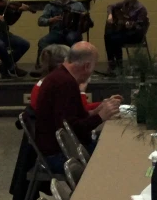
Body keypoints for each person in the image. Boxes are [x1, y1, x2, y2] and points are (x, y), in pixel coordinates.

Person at [34, 41, 120, 173]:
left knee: (111, 145)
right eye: (94, 66)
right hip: (60, 155)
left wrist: (95, 111)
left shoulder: (60, 76)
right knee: (115, 157)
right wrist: (100, 117)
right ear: (86, 66)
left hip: (57, 149)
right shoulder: (65, 84)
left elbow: (72, 118)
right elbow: (72, 130)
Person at [37, 0, 87, 67]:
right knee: (42, 42)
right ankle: (41, 66)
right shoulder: (51, 6)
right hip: (57, 32)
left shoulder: (77, 5)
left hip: (73, 32)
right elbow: (40, 21)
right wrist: (51, 20)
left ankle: (74, 66)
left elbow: (88, 21)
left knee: (71, 38)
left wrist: (83, 21)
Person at [104, 0, 149, 75]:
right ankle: (111, 62)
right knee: (108, 35)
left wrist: (132, 25)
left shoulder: (140, 8)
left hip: (136, 34)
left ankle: (119, 65)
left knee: (115, 38)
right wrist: (110, 15)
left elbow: (140, 26)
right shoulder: (124, 4)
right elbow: (110, 6)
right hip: (125, 32)